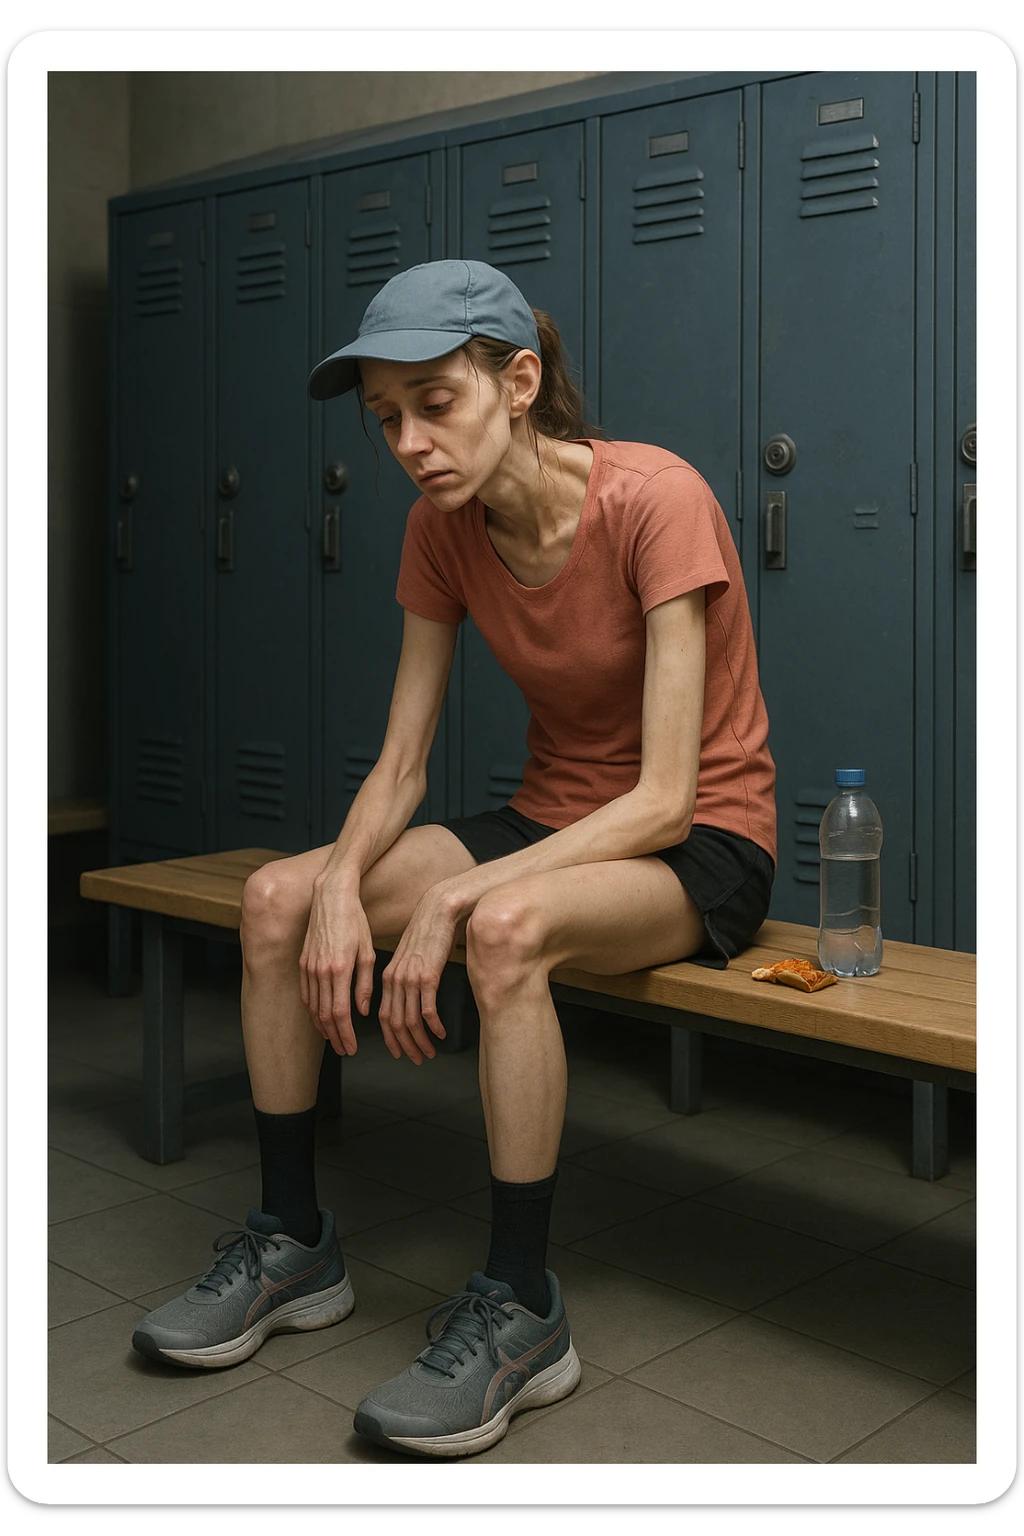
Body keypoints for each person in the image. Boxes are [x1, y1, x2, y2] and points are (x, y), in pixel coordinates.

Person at [131, 259, 777, 1459]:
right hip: (546, 821)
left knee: (501, 930)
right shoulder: (444, 532)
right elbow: (403, 764)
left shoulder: (656, 500)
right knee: (274, 897)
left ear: (518, 381)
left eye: (436, 402)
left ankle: (523, 1309)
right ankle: (291, 1242)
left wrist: (475, 888)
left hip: (698, 846)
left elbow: (668, 794)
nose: (410, 444)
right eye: (387, 420)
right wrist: (334, 883)